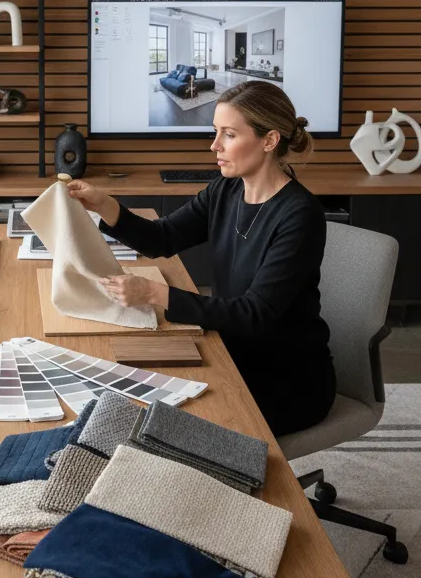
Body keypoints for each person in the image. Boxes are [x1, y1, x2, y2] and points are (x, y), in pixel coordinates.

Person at [68, 80, 336, 437]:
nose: (214, 146)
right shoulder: (226, 189)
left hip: (287, 379)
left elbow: (254, 314)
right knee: (129, 403)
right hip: (231, 349)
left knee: (162, 429)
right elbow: (162, 237)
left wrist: (154, 294)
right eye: (215, 133)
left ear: (269, 141)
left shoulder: (300, 215)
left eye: (228, 135)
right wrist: (104, 204)